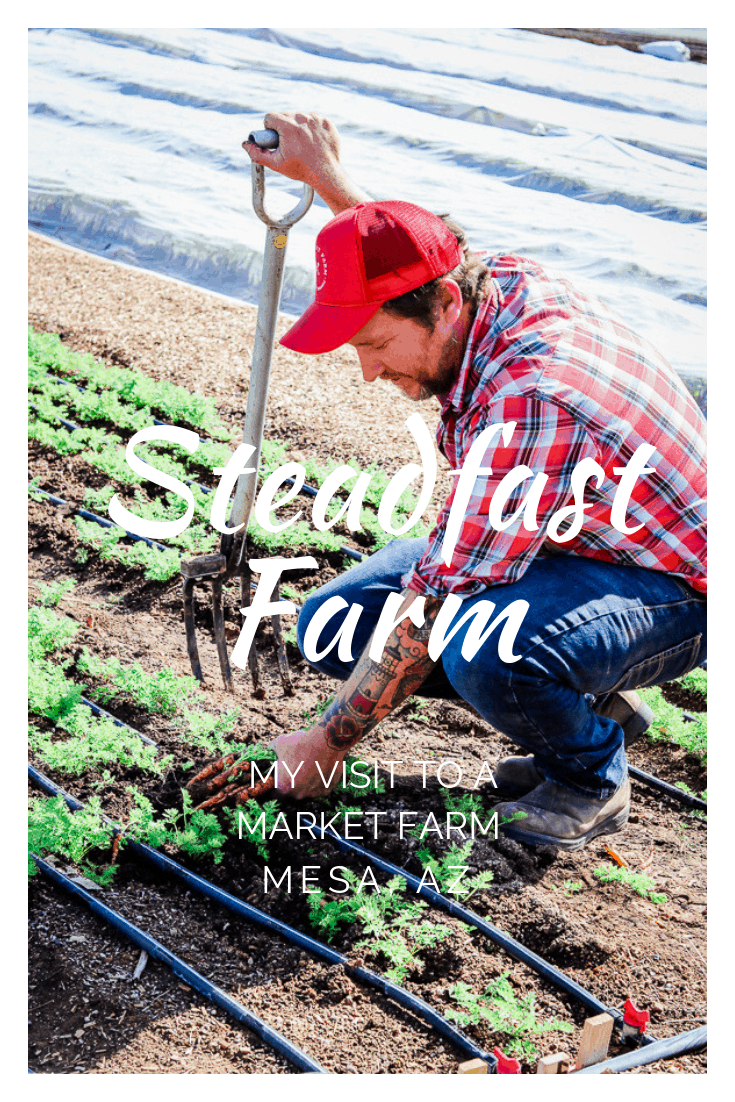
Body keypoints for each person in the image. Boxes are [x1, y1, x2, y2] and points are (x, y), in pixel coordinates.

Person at [243, 112, 707, 851]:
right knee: (331, 623)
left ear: (444, 308)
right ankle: (592, 708)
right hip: (581, 536)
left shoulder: (530, 401)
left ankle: (590, 778)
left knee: (482, 645)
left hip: (675, 584)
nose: (368, 371)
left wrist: (324, 747)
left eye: (375, 345)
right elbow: (419, 253)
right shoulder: (488, 283)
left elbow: (436, 603)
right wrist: (332, 184)